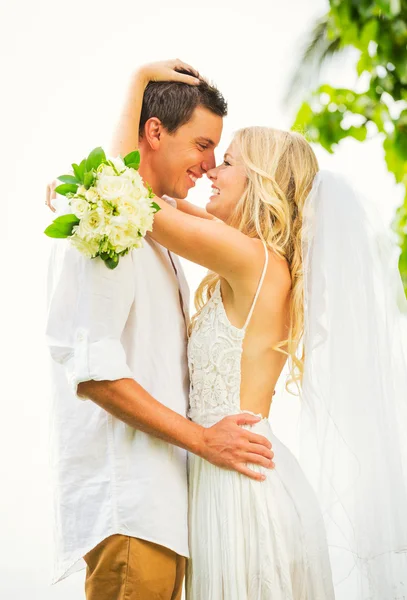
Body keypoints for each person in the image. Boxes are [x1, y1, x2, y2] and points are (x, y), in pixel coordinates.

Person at [112, 60, 407, 600]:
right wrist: (83, 189)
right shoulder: (260, 258)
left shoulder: (253, 259)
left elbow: (126, 200)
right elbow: (155, 199)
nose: (209, 172)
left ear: (261, 182)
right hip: (232, 472)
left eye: (226, 162)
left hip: (238, 489)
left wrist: (139, 83)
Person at [44, 59, 274, 600]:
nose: (209, 165)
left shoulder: (153, 226)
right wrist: (203, 441)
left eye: (219, 153)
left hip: (168, 514)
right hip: (131, 508)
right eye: (201, 145)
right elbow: (93, 371)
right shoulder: (103, 227)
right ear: (154, 131)